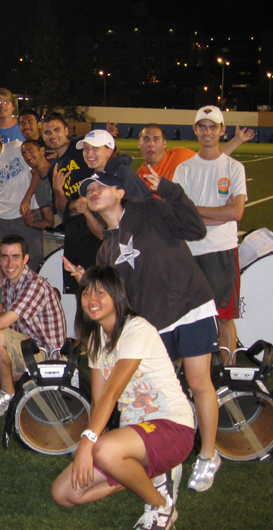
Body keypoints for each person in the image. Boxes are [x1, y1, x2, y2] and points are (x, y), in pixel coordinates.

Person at [65, 169, 221, 493]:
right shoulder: (106, 250)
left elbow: (195, 228)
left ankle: (208, 454)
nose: (93, 191)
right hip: (155, 322)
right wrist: (89, 284)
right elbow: (116, 299)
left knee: (198, 381)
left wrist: (168, 189)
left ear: (120, 192)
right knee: (160, 388)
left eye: (101, 186)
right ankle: (161, 454)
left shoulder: (150, 209)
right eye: (88, 189)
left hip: (190, 306)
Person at [51, 266, 194, 530]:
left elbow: (113, 391)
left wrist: (88, 442)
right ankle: (149, 473)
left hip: (172, 426)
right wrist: (93, 441)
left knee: (103, 450)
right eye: (86, 292)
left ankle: (160, 504)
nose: (91, 299)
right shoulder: (94, 338)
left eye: (100, 292)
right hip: (135, 436)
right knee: (65, 493)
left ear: (117, 296)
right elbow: (99, 398)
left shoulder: (136, 329)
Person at [174, 106, 247, 376]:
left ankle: (229, 373)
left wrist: (195, 210)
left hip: (221, 251)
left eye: (213, 126)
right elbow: (179, 215)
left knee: (224, 316)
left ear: (222, 130)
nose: (207, 131)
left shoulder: (234, 167)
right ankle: (186, 370)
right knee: (186, 314)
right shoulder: (184, 169)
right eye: (202, 126)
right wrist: (218, 215)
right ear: (195, 130)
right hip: (188, 251)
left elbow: (236, 212)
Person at [0, 234, 66, 416]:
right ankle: (24, 377)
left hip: (48, 356)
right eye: (5, 257)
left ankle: (8, 396)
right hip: (27, 347)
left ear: (26, 259)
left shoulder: (34, 284)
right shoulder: (8, 283)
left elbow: (1, 322)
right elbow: (12, 328)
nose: (10, 263)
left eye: (15, 257)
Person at [46, 112, 100, 293]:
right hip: (76, 231)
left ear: (66, 130)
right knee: (79, 288)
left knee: (100, 283)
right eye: (47, 132)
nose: (52, 135)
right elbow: (61, 208)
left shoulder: (81, 148)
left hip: (97, 225)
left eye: (56, 130)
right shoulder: (54, 167)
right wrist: (59, 191)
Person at [0, 123, 44, 271]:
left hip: (27, 215)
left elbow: (35, 172)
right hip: (2, 221)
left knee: (32, 258)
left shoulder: (15, 147)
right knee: (6, 264)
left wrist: (27, 198)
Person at [136, 122, 254, 191]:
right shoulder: (138, 179)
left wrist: (237, 140)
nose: (151, 144)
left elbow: (210, 158)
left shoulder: (179, 155)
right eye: (146, 139)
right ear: (139, 143)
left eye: (156, 139)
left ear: (164, 143)